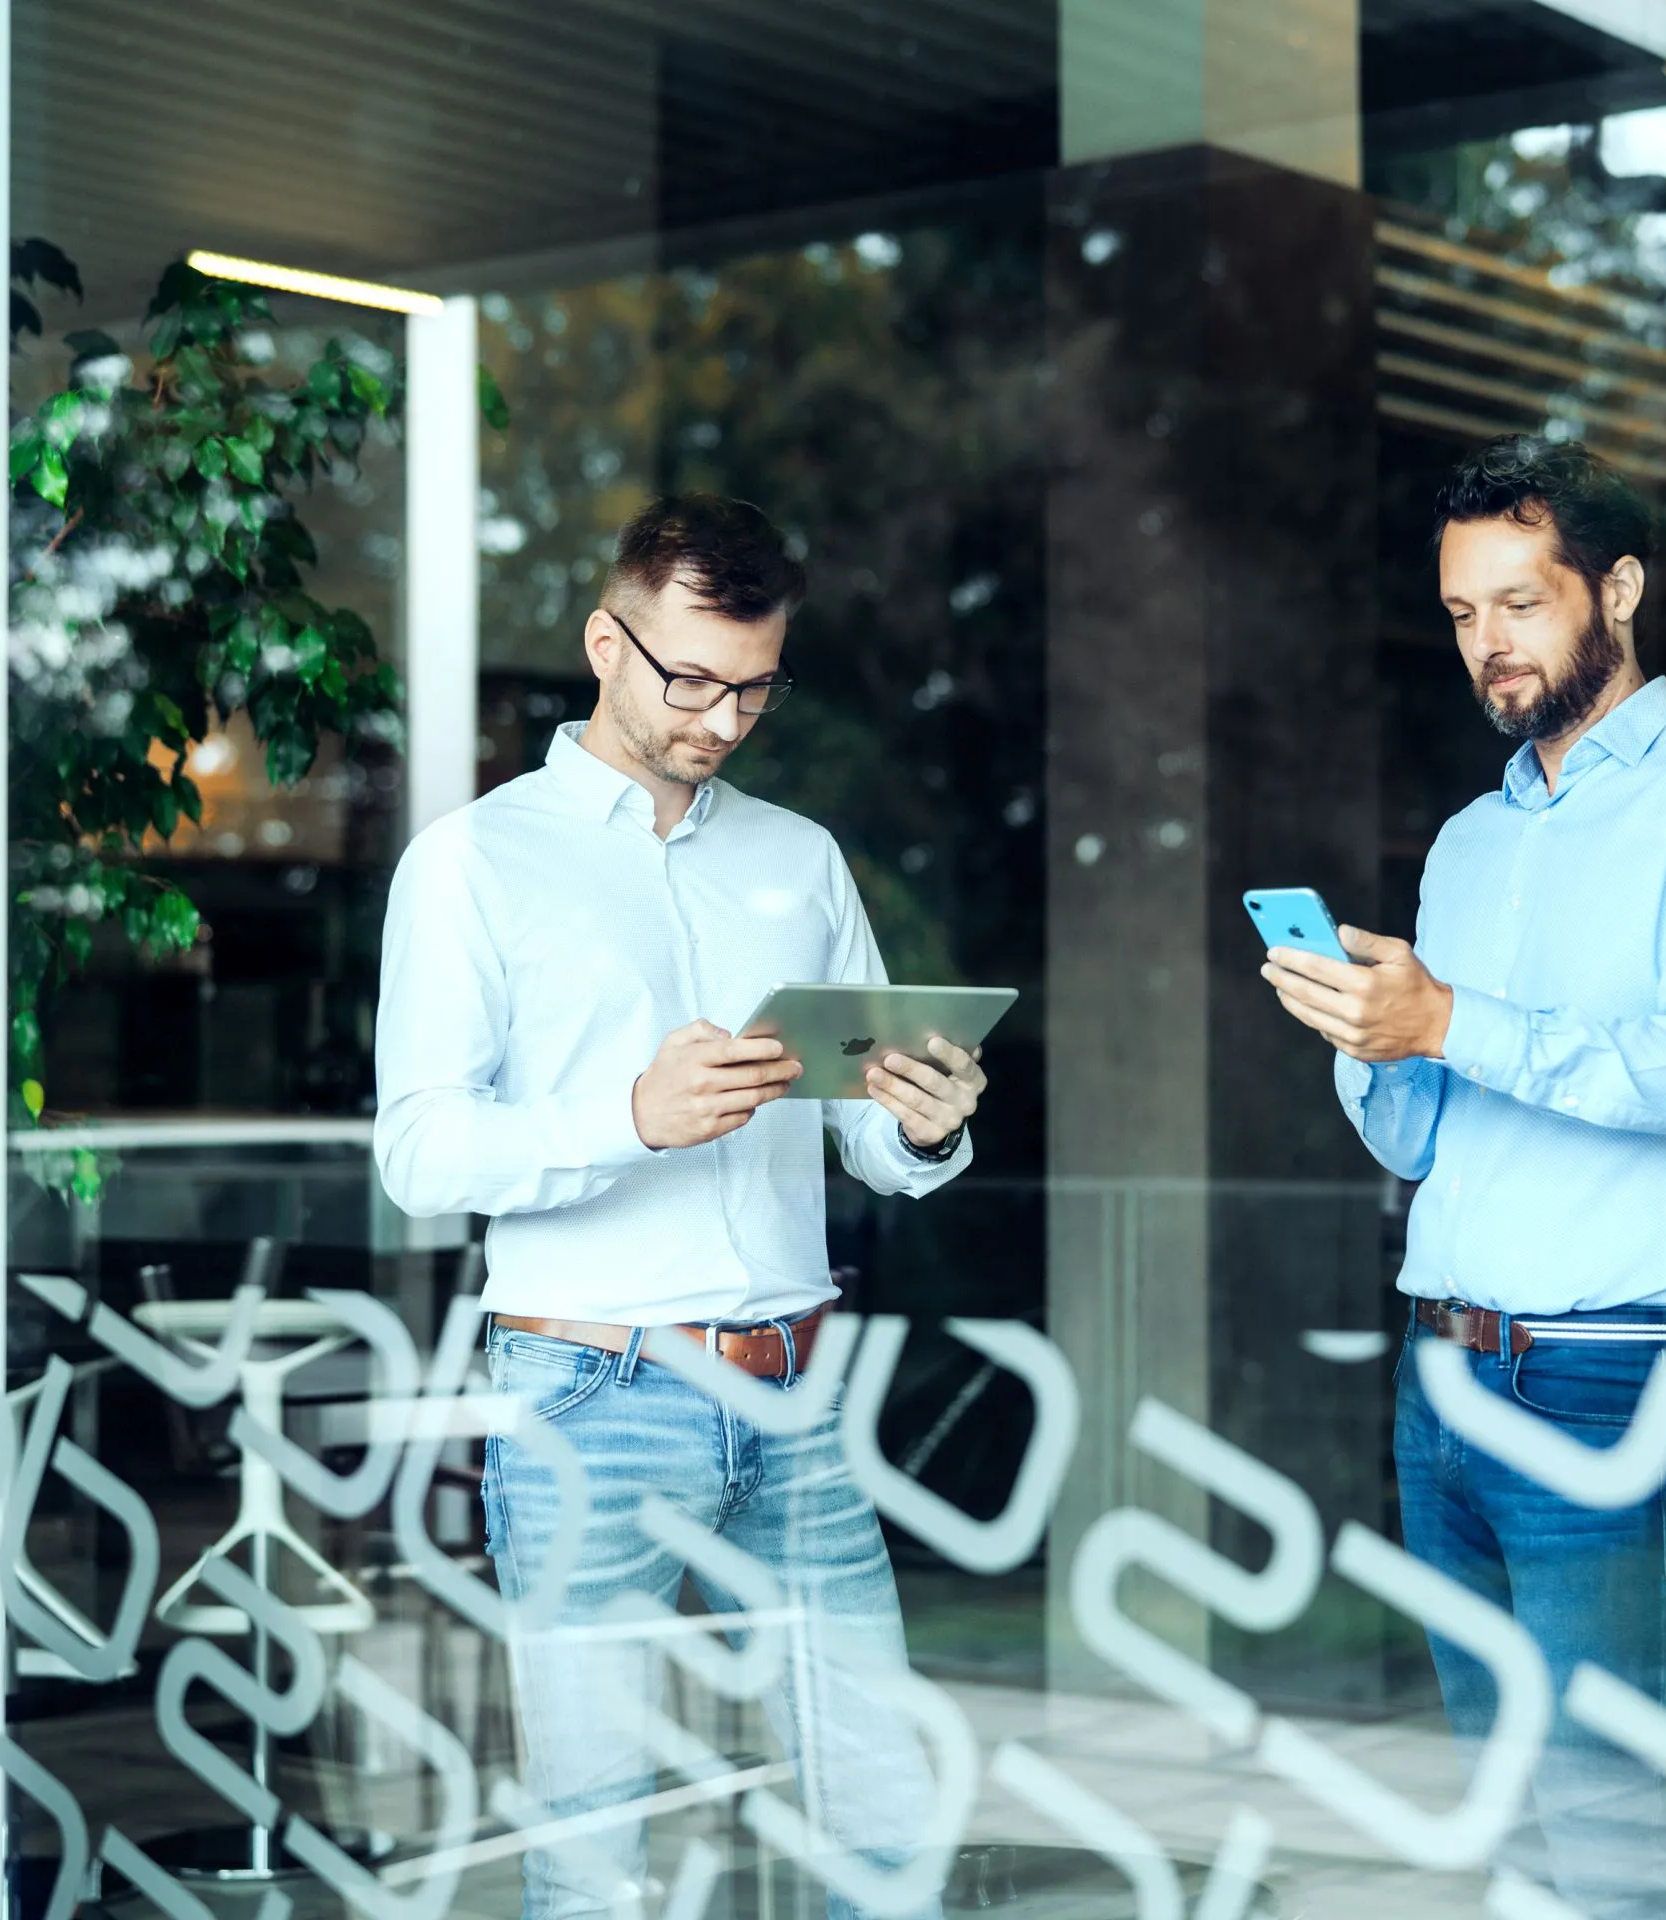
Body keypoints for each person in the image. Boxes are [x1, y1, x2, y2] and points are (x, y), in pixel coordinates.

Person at [373, 493, 983, 1919]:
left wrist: (922, 1128)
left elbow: (863, 1135)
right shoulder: (474, 863)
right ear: (607, 641)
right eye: (690, 678)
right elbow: (417, 1152)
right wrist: (625, 1121)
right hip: (588, 1390)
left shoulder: (799, 860)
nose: (721, 719)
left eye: (754, 686)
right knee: (596, 1840)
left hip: (792, 1386)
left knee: (878, 1805)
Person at [1260, 436, 1666, 1917]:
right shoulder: (1468, 840)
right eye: (1463, 615)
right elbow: (1421, 1137)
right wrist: (1370, 1037)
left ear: (1618, 587)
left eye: (1518, 603)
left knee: (1612, 1823)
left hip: (1612, 1380)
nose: (1488, 645)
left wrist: (1451, 1019)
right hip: (1439, 1376)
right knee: (1510, 1818)